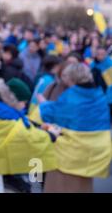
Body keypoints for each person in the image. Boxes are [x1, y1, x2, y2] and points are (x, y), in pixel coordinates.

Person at [0, 78, 57, 193]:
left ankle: (16, 178)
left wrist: (36, 126)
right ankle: (30, 184)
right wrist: (50, 135)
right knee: (35, 150)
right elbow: (26, 136)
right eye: (24, 102)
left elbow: (18, 125)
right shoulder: (6, 113)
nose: (25, 106)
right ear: (14, 99)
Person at [36, 63, 111, 192]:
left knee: (60, 186)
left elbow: (52, 115)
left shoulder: (72, 96)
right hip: (92, 154)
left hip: (69, 155)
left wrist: (43, 103)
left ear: (71, 78)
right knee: (83, 186)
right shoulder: (99, 95)